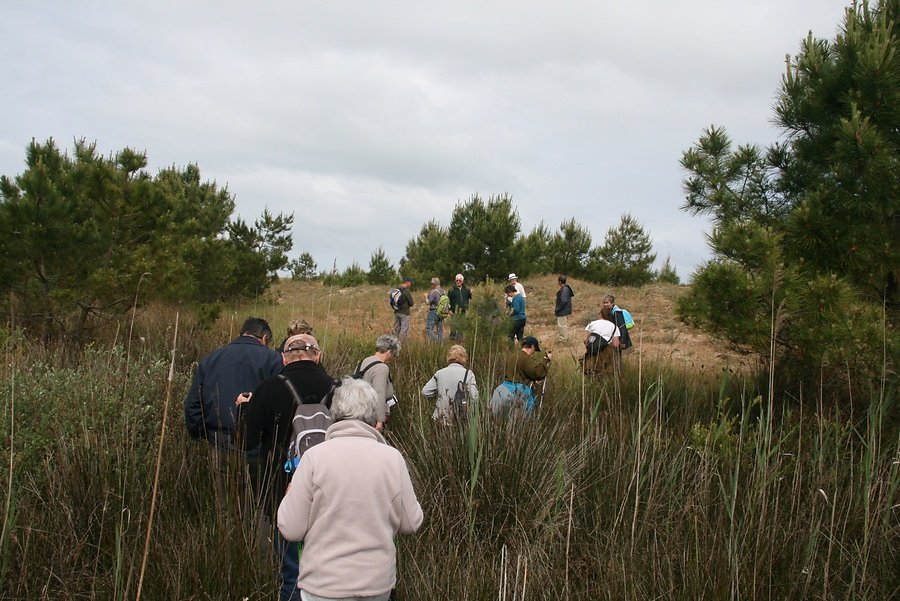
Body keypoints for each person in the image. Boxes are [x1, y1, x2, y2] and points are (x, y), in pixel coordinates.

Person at [277, 377, 424, 601]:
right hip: (377, 585)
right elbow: (411, 522)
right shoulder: (392, 459)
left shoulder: (314, 458)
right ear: (374, 417)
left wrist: (289, 497)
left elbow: (291, 529)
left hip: (322, 585)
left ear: (333, 413)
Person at [239, 333, 335, 601]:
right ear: (318, 356)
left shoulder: (268, 388)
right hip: (332, 488)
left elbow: (247, 440)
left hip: (286, 485)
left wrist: (245, 410)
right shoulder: (337, 387)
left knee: (291, 570)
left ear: (283, 358)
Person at [184, 318, 284, 519]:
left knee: (227, 510)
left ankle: (230, 546)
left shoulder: (211, 359)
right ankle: (260, 549)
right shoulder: (273, 360)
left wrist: (204, 434)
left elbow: (192, 404)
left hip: (221, 444)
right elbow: (281, 403)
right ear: (264, 338)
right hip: (260, 448)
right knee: (263, 507)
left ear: (242, 333)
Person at [490, 336, 551, 416]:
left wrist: (532, 380)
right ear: (532, 347)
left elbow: (518, 373)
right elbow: (538, 373)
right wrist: (546, 360)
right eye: (535, 350)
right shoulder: (525, 358)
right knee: (521, 421)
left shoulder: (512, 357)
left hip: (502, 390)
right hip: (516, 394)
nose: (533, 353)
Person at [422, 344, 479, 424]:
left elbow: (425, 392)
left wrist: (440, 394)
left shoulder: (439, 373)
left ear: (449, 357)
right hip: (459, 419)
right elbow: (474, 397)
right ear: (464, 358)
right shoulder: (469, 374)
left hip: (440, 418)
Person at [354, 334, 401, 430]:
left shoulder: (364, 361)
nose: (392, 359)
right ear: (389, 352)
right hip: (371, 418)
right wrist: (380, 421)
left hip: (357, 412)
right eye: (393, 355)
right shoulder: (381, 368)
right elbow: (379, 394)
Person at [583, 308, 621, 375]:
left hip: (593, 352)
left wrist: (592, 346)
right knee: (606, 373)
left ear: (600, 314)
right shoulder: (614, 326)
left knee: (591, 373)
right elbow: (616, 344)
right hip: (607, 352)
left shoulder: (591, 324)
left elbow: (585, 340)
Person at [447, 273, 472, 341]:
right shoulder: (451, 290)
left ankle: (459, 341)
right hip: (454, 312)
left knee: (461, 327)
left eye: (459, 280)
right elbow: (447, 301)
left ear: (462, 281)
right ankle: (452, 340)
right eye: (456, 280)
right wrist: (449, 310)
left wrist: (472, 293)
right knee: (453, 328)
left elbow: (471, 298)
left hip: (463, 312)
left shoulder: (467, 289)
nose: (458, 282)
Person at [424, 276, 445, 342]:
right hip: (441, 312)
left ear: (435, 284)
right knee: (440, 330)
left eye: (432, 283)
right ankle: (441, 345)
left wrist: (425, 297)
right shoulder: (444, 291)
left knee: (429, 329)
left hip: (433, 312)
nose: (431, 285)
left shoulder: (433, 292)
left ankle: (435, 341)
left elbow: (428, 303)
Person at [555, 275, 575, 342]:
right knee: (562, 324)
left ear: (560, 281)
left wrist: (558, 308)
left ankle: (563, 339)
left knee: (562, 325)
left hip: (562, 311)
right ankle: (563, 338)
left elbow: (564, 301)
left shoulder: (564, 289)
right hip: (563, 310)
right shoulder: (566, 289)